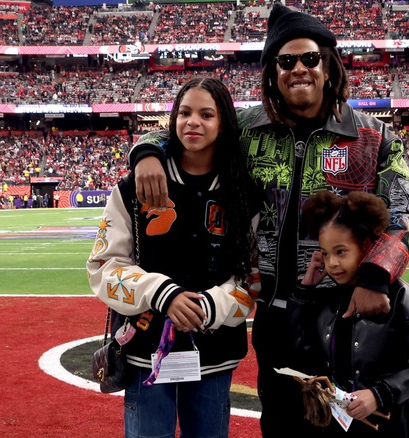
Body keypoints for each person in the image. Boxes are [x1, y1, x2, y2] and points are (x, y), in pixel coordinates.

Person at [128, 4, 409, 436]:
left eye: (310, 58)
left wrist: (377, 276)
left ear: (329, 65)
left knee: (359, 428)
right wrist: (148, 151)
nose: (299, 69)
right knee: (285, 426)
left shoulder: (373, 137)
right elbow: (190, 127)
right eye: (286, 61)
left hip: (350, 316)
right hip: (276, 315)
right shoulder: (246, 130)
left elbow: (405, 212)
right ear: (272, 71)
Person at [87, 77, 259, 438]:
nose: (193, 122)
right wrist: (162, 293)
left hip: (214, 354)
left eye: (206, 114)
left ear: (223, 122)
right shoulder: (132, 186)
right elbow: (103, 268)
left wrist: (210, 307)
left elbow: (253, 276)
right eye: (184, 112)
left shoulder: (243, 192)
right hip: (144, 352)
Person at [289, 191, 409, 437]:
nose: (332, 264)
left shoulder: (401, 296)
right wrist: (305, 291)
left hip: (390, 425)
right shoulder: (327, 297)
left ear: (368, 247)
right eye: (326, 253)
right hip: (338, 425)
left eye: (341, 252)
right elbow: (300, 352)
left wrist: (378, 395)